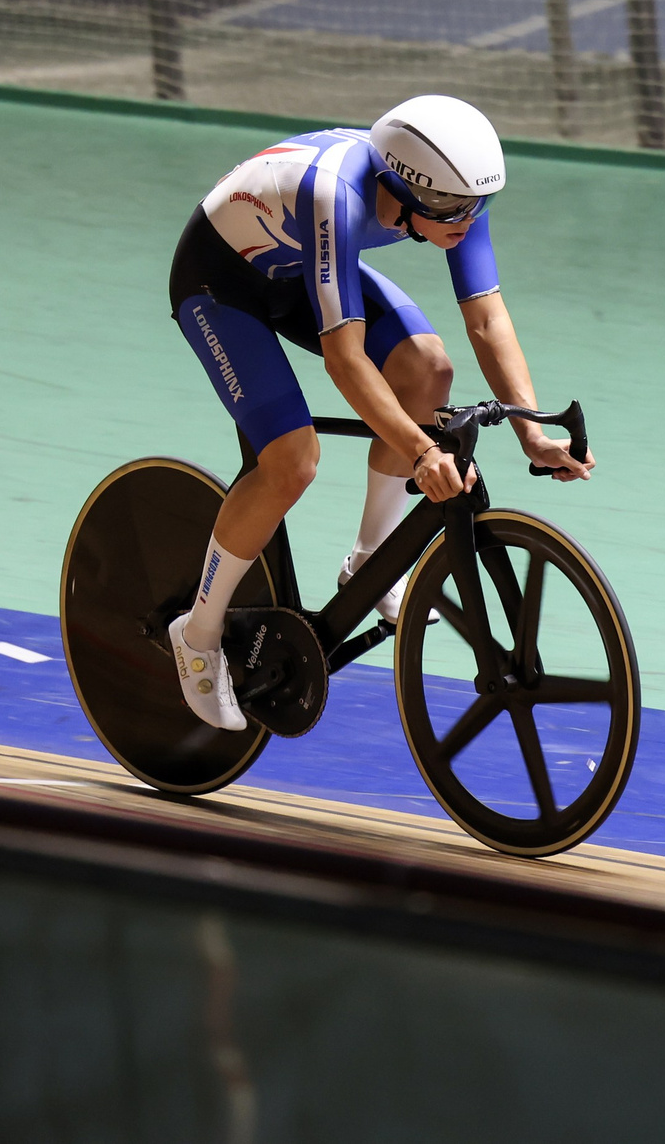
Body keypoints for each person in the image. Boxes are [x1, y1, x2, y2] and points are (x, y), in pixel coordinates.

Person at [164, 95, 594, 731]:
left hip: (300, 266)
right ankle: (197, 635)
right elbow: (346, 360)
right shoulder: (335, 196)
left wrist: (531, 432)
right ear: (399, 185)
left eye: (478, 203)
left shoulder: (454, 198)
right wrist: (422, 453)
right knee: (291, 462)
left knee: (428, 371)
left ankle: (370, 559)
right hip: (221, 286)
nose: (465, 219)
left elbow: (486, 318)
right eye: (447, 205)